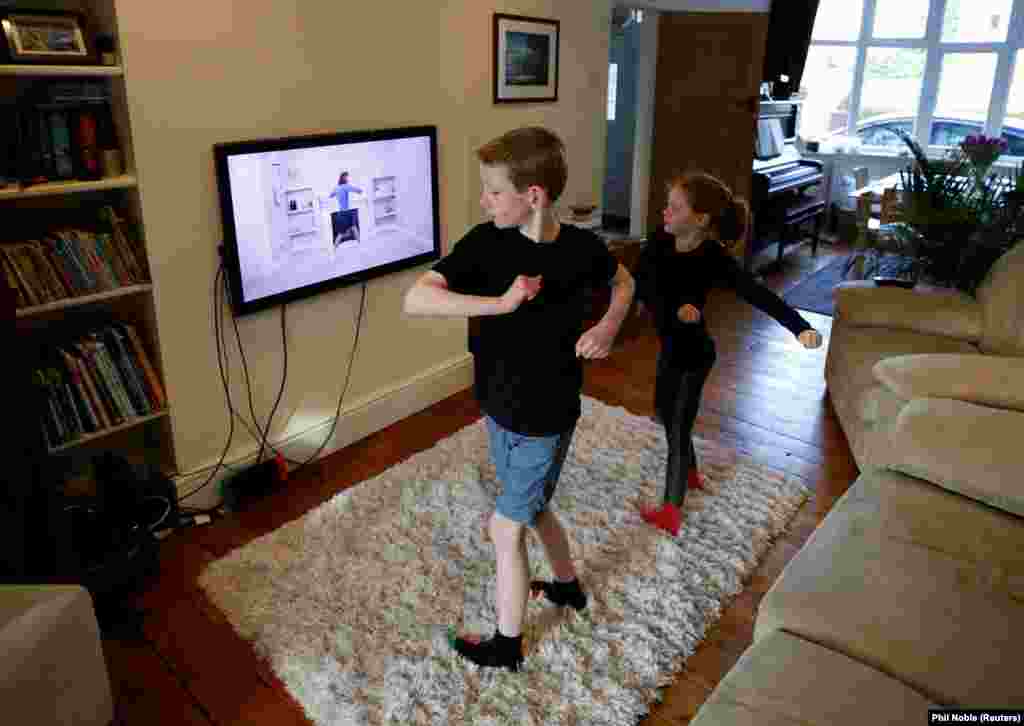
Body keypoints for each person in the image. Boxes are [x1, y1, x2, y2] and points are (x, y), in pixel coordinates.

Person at [403, 127, 635, 672]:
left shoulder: (582, 249)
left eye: (493, 191)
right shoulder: (484, 244)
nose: (484, 202)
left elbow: (624, 283)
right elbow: (416, 298)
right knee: (534, 506)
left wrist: (606, 327)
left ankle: (507, 645)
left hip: (548, 415)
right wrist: (500, 304)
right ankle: (568, 588)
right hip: (498, 407)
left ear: (533, 196)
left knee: (505, 527)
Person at [633, 171, 822, 537]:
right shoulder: (659, 241)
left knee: (677, 426)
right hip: (672, 345)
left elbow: (758, 294)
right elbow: (645, 283)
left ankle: (671, 509)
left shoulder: (714, 258)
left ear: (700, 219)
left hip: (695, 354)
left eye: (674, 207)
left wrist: (801, 328)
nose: (664, 212)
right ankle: (689, 473)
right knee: (662, 411)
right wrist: (676, 308)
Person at [328, 172, 363, 246]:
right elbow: (359, 191)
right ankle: (360, 244)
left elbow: (330, 195)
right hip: (347, 212)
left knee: (346, 231)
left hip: (340, 213)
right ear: (344, 178)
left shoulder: (336, 188)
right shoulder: (346, 186)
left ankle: (334, 249)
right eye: (347, 177)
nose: (348, 178)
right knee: (352, 228)